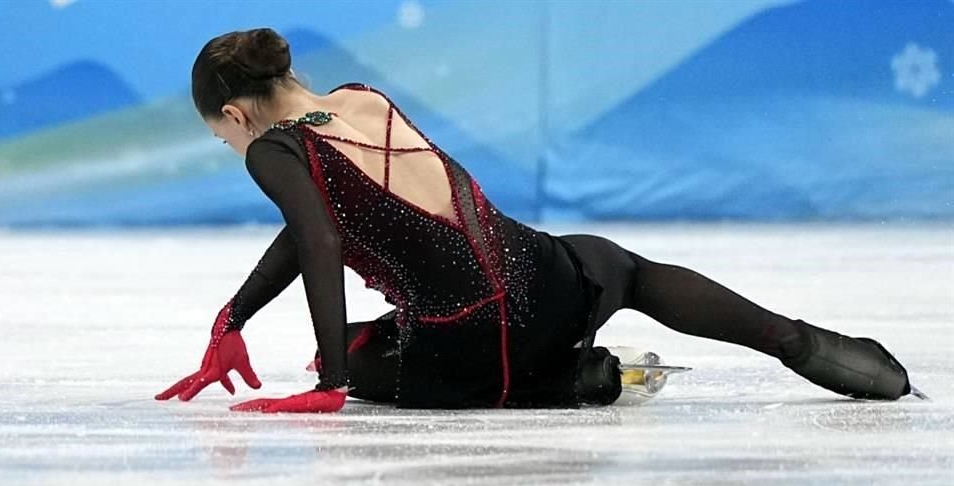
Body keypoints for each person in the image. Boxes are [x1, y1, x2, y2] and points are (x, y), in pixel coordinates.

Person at [156, 28, 914, 413]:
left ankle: (574, 379)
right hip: (545, 282)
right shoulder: (360, 98)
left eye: (224, 136)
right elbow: (321, 223)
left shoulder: (276, 150)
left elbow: (319, 236)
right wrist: (238, 313)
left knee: (363, 357)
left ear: (234, 113)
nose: (232, 147)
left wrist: (332, 377)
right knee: (620, 268)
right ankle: (795, 339)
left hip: (477, 343)